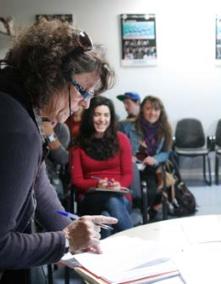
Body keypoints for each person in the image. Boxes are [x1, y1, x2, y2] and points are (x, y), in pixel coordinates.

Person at [0, 20, 116, 282]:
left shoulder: (14, 98)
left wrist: (70, 229)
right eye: (83, 91)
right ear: (52, 76)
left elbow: (38, 183)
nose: (86, 103)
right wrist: (65, 240)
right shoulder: (18, 129)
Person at [70, 96, 134, 235]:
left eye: (106, 115)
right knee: (111, 202)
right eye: (97, 114)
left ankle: (105, 253)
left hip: (119, 196)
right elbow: (77, 180)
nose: (102, 119)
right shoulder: (78, 143)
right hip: (90, 197)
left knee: (106, 217)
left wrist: (118, 185)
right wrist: (97, 185)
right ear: (89, 116)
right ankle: (134, 240)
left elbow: (128, 174)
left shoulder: (122, 139)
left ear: (111, 118)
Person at [134, 96, 173, 221]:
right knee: (135, 192)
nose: (152, 113)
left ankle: (147, 212)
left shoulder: (165, 129)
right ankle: (139, 213)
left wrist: (155, 158)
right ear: (142, 110)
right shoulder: (131, 127)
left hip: (152, 167)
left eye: (156, 109)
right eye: (148, 109)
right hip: (134, 166)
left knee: (150, 190)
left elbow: (166, 152)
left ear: (160, 112)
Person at [42, 121, 71, 201]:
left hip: (51, 178)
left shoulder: (61, 129)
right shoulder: (30, 121)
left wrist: (50, 135)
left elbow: (62, 158)